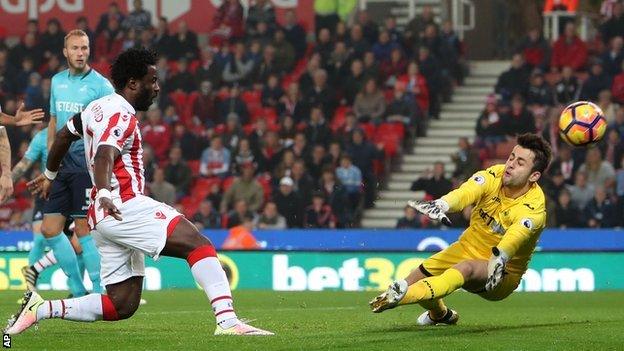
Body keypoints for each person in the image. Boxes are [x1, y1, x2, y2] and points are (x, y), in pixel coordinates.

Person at [5, 48, 272, 336]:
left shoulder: (96, 108)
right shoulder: (121, 114)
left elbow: (62, 136)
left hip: (102, 214)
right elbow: (106, 153)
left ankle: (40, 309)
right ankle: (227, 321)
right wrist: (107, 191)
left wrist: (49, 174)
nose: (157, 88)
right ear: (133, 83)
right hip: (122, 205)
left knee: (123, 305)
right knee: (198, 244)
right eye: (152, 81)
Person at [369, 134, 552, 327]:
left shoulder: (534, 208)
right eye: (511, 157)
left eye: (520, 162)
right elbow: (467, 192)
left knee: (465, 268)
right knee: (419, 275)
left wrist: (500, 257)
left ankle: (400, 298)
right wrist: (442, 204)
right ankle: (440, 314)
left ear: (534, 176)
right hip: (465, 247)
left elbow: (517, 234)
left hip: (501, 271)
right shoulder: (494, 175)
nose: (511, 164)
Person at [42, 29, 115, 298]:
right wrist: (49, 162)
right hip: (60, 166)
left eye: (84, 48)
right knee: (49, 229)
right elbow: (53, 122)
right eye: (75, 48)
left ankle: (98, 290)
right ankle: (76, 286)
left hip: (85, 165)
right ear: (66, 52)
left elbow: (110, 126)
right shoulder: (57, 81)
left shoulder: (102, 86)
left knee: (82, 227)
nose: (80, 53)